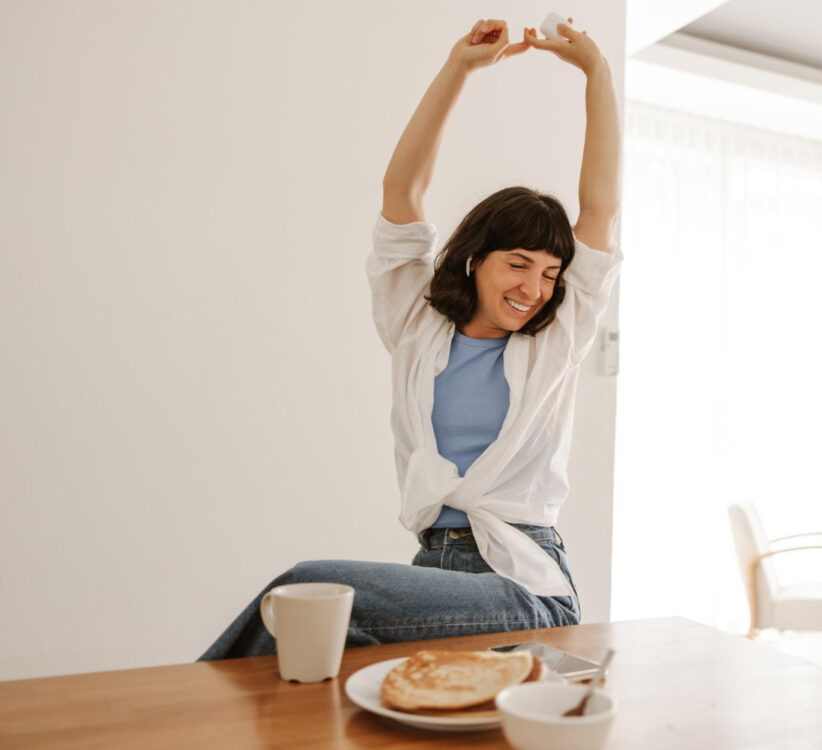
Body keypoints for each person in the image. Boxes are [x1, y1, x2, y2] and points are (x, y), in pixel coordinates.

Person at [198, 17, 621, 661]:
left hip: (524, 585)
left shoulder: (555, 343)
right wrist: (458, 68)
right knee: (314, 665)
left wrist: (597, 73)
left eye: (550, 273)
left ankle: (185, 717)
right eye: (518, 263)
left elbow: (600, 207)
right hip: (433, 572)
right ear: (476, 258)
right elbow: (402, 190)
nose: (535, 288)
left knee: (302, 592)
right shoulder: (416, 325)